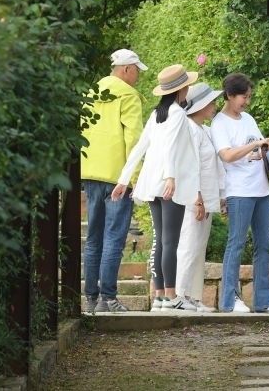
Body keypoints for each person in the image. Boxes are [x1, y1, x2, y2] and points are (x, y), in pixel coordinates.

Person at [111, 64, 200, 311]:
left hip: (152, 184)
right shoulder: (178, 114)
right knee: (170, 242)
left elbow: (140, 147)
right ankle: (171, 296)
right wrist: (171, 177)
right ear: (181, 89)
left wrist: (123, 179)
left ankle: (160, 296)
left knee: (161, 240)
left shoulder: (156, 114)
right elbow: (171, 146)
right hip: (169, 184)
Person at [210, 73, 269, 314]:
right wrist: (255, 144)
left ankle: (264, 299)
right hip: (239, 191)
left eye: (249, 97)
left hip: (261, 189)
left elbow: (259, 151)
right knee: (236, 243)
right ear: (229, 95)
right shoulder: (219, 123)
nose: (247, 101)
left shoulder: (249, 119)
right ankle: (229, 299)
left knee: (263, 244)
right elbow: (227, 155)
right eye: (244, 97)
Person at [80, 48, 147, 313]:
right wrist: (135, 176)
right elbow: (134, 139)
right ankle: (108, 298)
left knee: (93, 238)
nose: (138, 76)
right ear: (126, 69)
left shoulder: (91, 92)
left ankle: (90, 298)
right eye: (137, 71)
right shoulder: (128, 95)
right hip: (118, 177)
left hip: (90, 172)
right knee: (114, 238)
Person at [174, 82, 227, 312]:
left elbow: (216, 166)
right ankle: (178, 294)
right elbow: (189, 167)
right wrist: (197, 199)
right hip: (194, 199)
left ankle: (193, 296)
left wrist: (221, 196)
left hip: (207, 198)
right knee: (188, 245)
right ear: (201, 104)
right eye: (212, 102)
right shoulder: (188, 129)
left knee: (198, 247)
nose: (215, 106)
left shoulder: (204, 130)